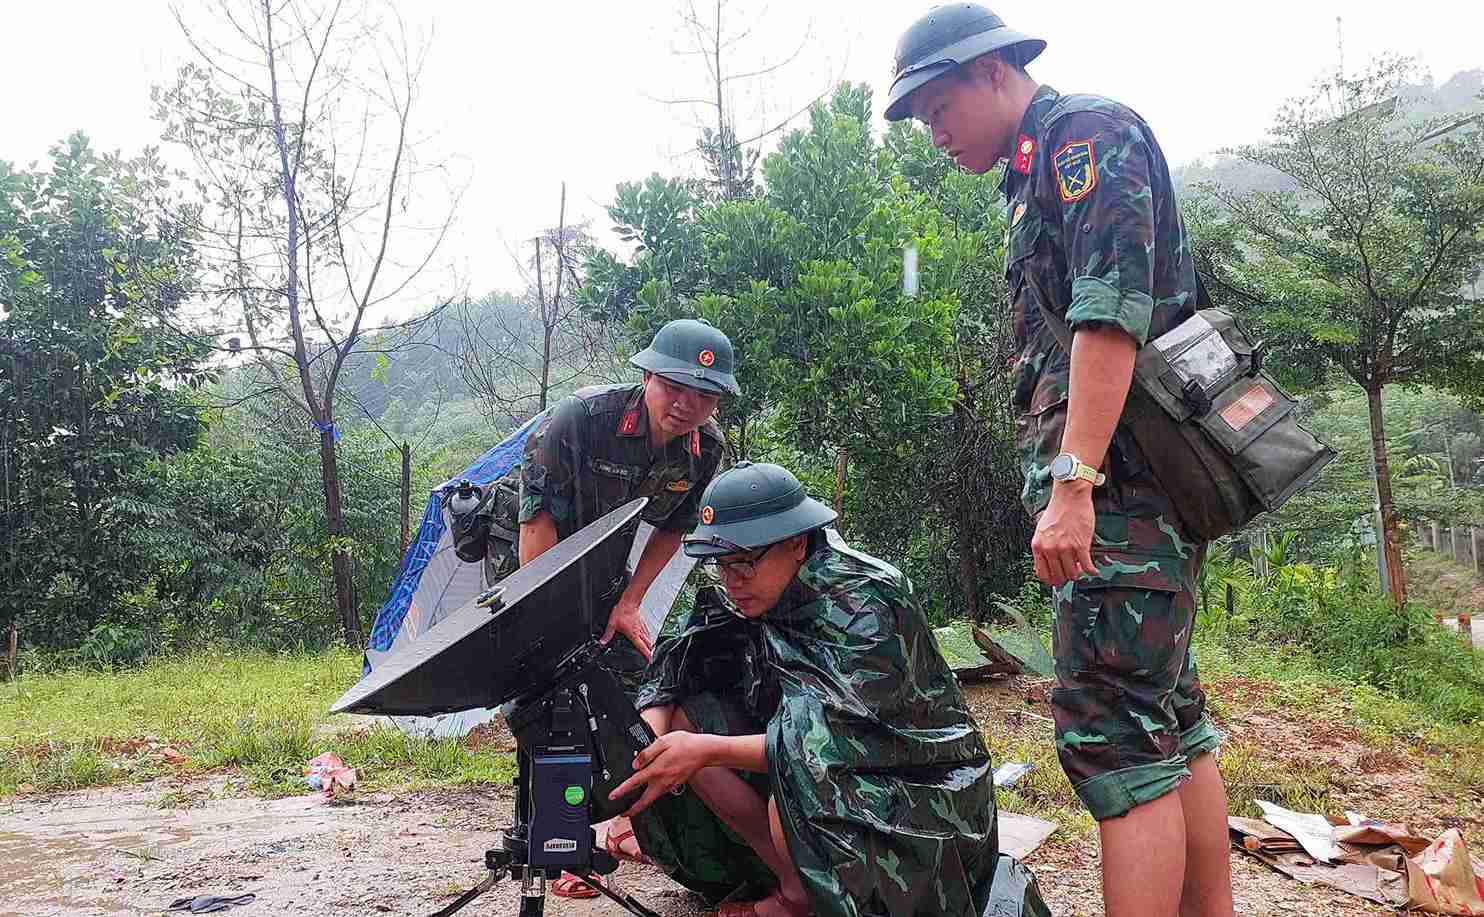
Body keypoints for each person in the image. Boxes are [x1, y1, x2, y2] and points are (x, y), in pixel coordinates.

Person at [882, 6, 1235, 917]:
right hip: (1135, 497)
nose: (935, 135)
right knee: (1169, 721)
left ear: (993, 70)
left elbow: (1108, 316)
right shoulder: (1038, 168)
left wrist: (1075, 485)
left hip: (1122, 494)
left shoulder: (1084, 139)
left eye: (937, 109)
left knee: (1116, 737)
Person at [610, 462, 1043, 917]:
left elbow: (836, 742)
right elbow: (684, 654)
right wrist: (650, 731)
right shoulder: (764, 588)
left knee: (796, 781)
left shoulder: (865, 602)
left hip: (920, 785)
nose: (731, 580)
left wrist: (706, 749)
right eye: (721, 564)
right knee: (685, 719)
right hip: (821, 760)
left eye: (743, 562)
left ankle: (798, 900)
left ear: (796, 543)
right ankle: (789, 880)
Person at [448, 317, 738, 898]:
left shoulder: (705, 452)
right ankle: (556, 844)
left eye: (704, 394)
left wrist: (630, 602)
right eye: (674, 386)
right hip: (528, 546)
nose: (687, 404)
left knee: (620, 681)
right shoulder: (579, 419)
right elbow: (537, 523)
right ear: (648, 376)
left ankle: (617, 824)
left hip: (603, 554)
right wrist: (546, 621)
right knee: (545, 682)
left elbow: (674, 530)